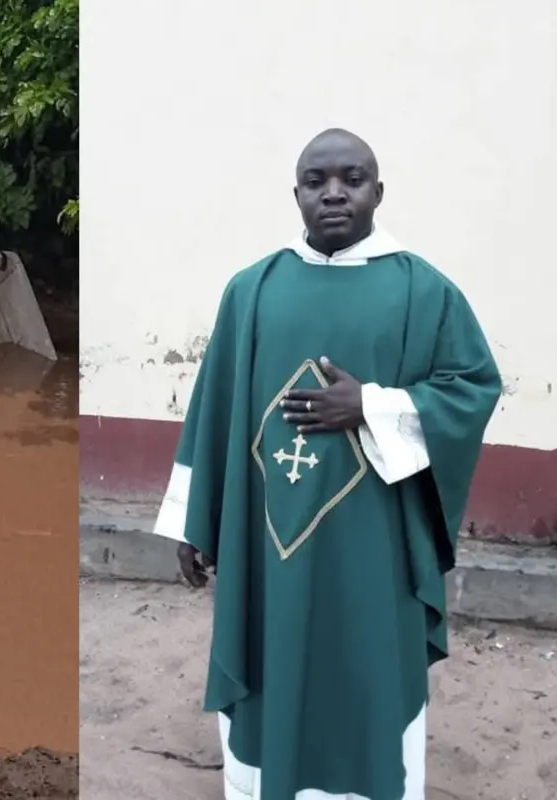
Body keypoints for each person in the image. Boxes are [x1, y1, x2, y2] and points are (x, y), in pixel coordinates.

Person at [154, 128, 501, 799]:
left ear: (379, 191)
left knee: (366, 669)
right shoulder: (251, 290)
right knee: (272, 664)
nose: (335, 193)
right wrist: (195, 521)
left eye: (353, 178)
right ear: (296, 193)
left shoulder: (422, 291)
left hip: (374, 544)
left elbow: (473, 387)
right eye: (317, 181)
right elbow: (215, 413)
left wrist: (370, 405)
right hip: (267, 543)